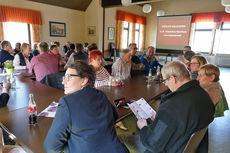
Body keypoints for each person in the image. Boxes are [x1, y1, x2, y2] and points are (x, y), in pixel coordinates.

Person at [44, 61, 129, 153]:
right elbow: (114, 116)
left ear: (84, 80)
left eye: (69, 77)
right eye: (64, 77)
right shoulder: (101, 94)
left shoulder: (67, 103)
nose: (63, 82)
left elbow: (51, 147)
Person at [137, 61, 214, 153]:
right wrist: (161, 118)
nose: (165, 84)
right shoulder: (203, 94)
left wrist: (143, 127)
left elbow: (153, 143)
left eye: (165, 80)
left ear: (173, 79)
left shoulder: (172, 105)